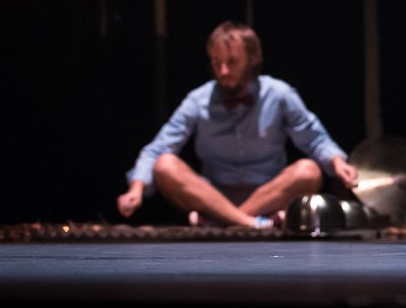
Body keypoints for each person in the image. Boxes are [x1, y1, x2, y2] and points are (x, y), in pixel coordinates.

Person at [117, 21, 357, 228]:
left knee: (309, 170)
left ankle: (221, 222)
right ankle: (252, 223)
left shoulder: (279, 94)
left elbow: (314, 138)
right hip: (212, 195)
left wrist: (338, 163)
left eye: (232, 62)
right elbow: (159, 148)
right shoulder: (198, 99)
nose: (223, 71)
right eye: (216, 62)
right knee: (165, 165)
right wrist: (136, 189)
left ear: (252, 59)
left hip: (268, 193)